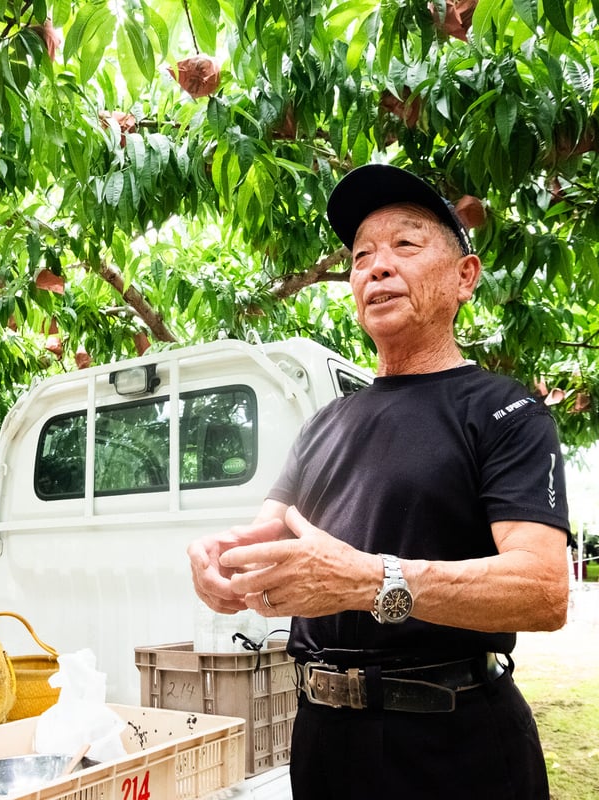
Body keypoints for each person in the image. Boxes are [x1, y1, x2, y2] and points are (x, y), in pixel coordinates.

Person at [187, 163, 572, 799]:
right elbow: (263, 536)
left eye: (405, 245)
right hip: (322, 741)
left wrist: (372, 580)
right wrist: (219, 563)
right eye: (361, 255)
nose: (376, 266)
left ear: (464, 277)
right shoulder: (324, 424)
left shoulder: (506, 412)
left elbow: (542, 590)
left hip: (456, 742)